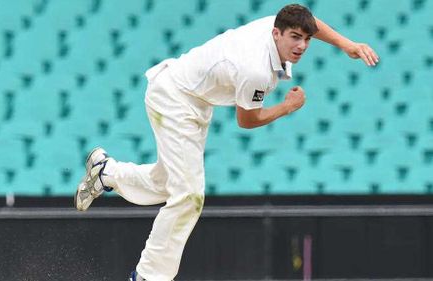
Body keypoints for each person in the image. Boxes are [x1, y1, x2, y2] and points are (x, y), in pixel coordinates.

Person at [74, 4, 379, 281]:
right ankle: (149, 276)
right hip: (175, 98)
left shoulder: (273, 28)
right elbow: (246, 121)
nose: (301, 46)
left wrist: (347, 45)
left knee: (166, 182)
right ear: (277, 33)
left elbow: (311, 22)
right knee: (189, 196)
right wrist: (287, 107)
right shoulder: (255, 70)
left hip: (192, 99)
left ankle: (105, 173)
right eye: (294, 38)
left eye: (306, 39)